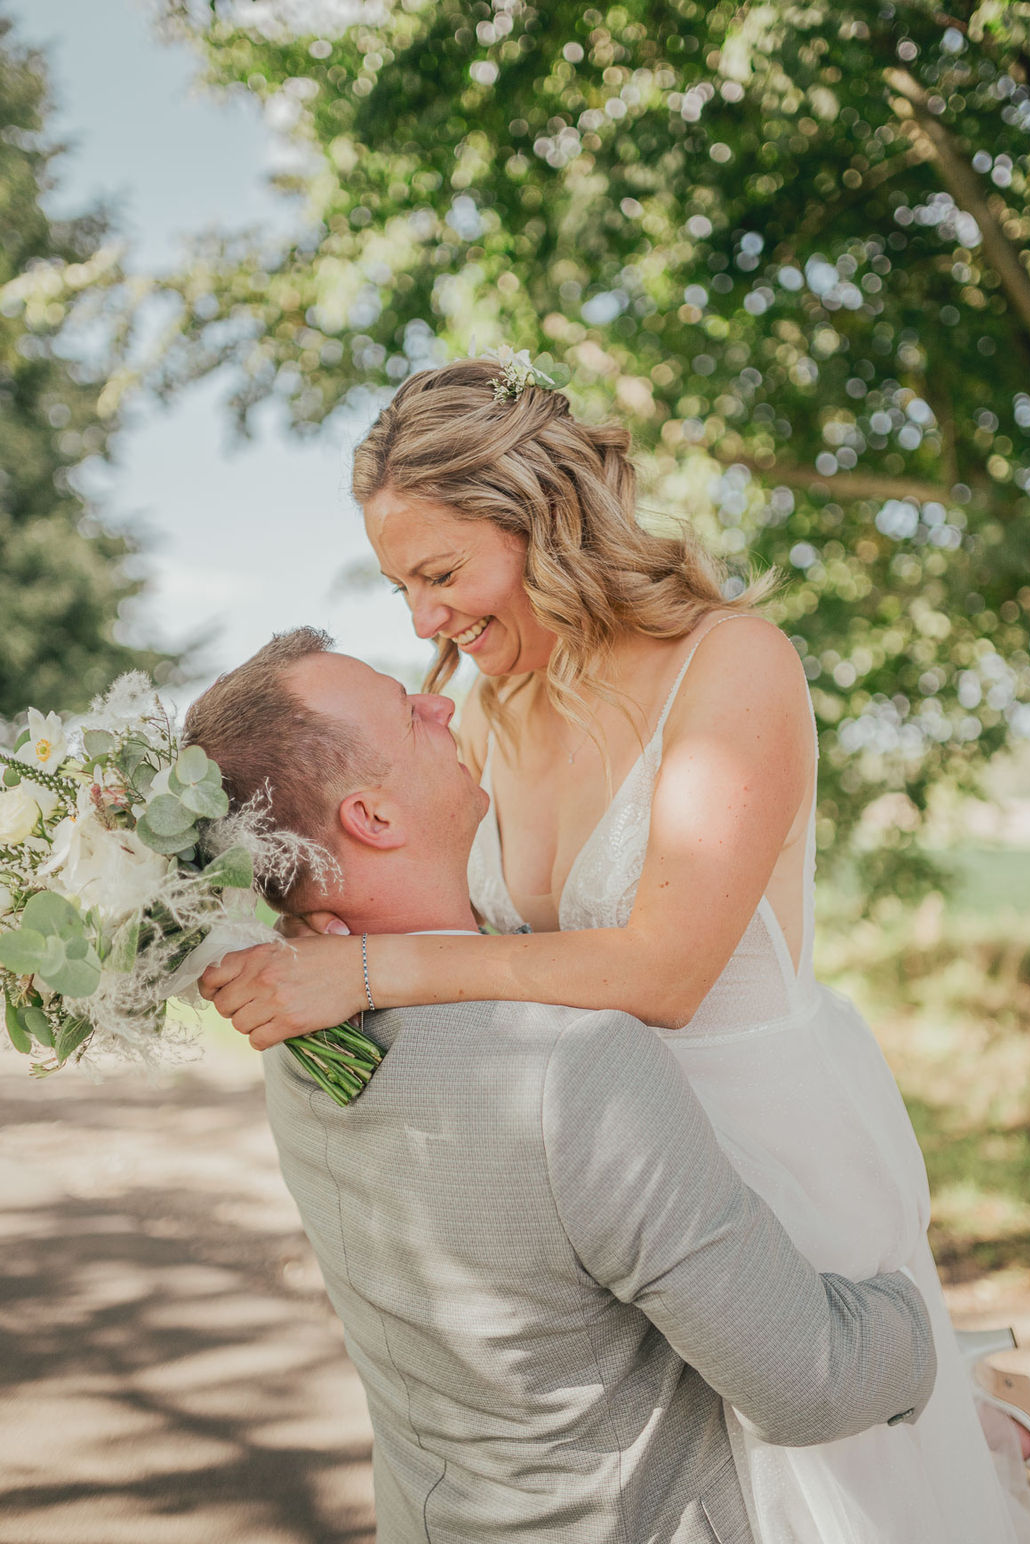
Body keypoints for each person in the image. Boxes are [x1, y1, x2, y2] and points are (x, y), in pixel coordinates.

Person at [200, 359, 1030, 1542]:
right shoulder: (488, 709)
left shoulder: (731, 664)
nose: (424, 624)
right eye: (403, 586)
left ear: (540, 515)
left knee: (829, 1477)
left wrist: (363, 974)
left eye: (441, 574)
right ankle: (974, 1410)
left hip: (767, 1157)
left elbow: (662, 971)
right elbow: (428, 902)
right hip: (593, 1180)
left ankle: (973, 1414)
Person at [185, 627, 938, 1544]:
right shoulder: (570, 1070)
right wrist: (926, 1324)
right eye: (406, 711)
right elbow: (809, 1384)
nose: (439, 701)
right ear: (372, 819)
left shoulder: (297, 1039)